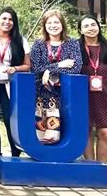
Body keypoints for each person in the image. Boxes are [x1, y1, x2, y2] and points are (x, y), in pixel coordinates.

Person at [29, 9, 82, 144]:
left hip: (65, 95)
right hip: (42, 94)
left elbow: (76, 68)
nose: (53, 25)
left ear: (62, 24)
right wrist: (60, 65)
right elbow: (36, 69)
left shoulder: (72, 43)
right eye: (49, 22)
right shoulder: (38, 44)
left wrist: (49, 71)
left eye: (56, 22)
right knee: (43, 134)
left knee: (65, 131)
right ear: (45, 25)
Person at [0, 7, 30, 158]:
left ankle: (15, 156)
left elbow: (27, 66)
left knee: (11, 120)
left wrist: (14, 68)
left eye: (10, 19)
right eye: (4, 18)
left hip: (9, 85)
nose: (7, 22)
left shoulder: (20, 40)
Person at [78, 15, 107, 163]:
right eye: (86, 26)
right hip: (83, 94)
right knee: (85, 130)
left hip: (106, 94)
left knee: (106, 132)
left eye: (93, 25)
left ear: (98, 27)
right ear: (80, 30)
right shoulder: (76, 48)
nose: (90, 28)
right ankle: (90, 168)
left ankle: (102, 168)